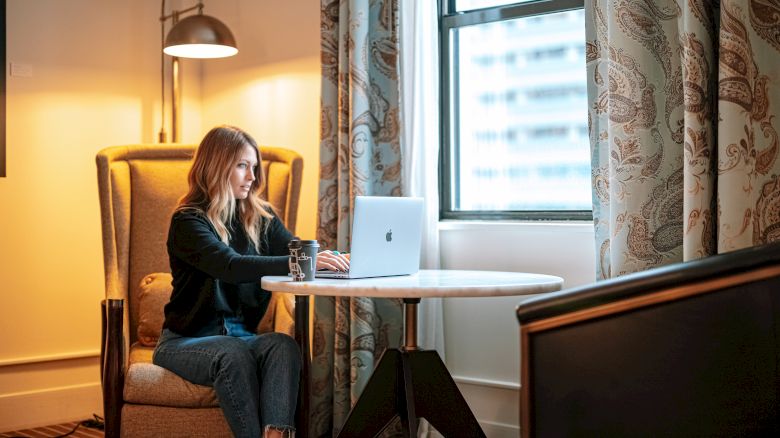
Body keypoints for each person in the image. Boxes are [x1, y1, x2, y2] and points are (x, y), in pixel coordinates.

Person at [153, 125, 349, 438]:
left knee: (283, 345)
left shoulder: (261, 217)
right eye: (243, 166)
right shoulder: (188, 221)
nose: (252, 177)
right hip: (185, 341)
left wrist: (332, 259)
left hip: (242, 338)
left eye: (254, 167)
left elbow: (294, 248)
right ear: (216, 167)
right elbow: (231, 266)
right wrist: (302, 262)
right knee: (232, 354)